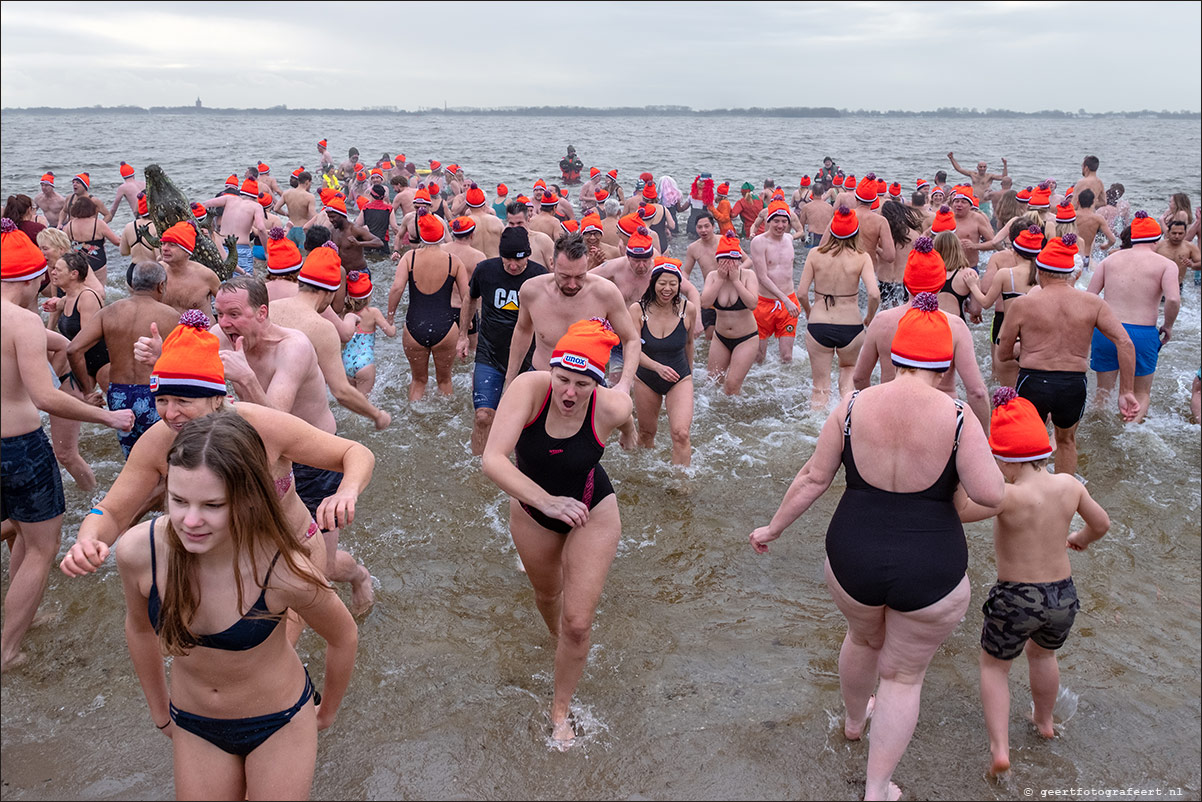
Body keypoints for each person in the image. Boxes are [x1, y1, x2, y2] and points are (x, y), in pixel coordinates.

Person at [749, 292, 1004, 801]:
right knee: (904, 676)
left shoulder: (853, 404)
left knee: (863, 639)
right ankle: (877, 788)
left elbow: (813, 478)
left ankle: (851, 721)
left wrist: (772, 529)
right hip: (931, 565)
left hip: (852, 556)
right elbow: (991, 494)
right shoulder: (957, 418)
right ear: (946, 362)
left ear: (894, 354)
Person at [115, 413, 357, 800]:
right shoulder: (140, 552)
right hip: (194, 724)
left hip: (277, 723)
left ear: (247, 500)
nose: (190, 520)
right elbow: (139, 628)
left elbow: (343, 635)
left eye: (212, 505)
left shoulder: (283, 569)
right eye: (178, 500)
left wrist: (326, 711)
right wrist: (161, 712)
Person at [482, 318, 636, 746]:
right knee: (548, 596)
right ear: (551, 370)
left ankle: (559, 709)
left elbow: (626, 420)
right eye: (563, 379)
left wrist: (630, 434)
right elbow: (492, 460)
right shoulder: (529, 389)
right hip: (533, 511)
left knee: (578, 622)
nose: (569, 392)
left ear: (598, 384)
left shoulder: (610, 406)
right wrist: (545, 502)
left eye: (582, 384)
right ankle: (557, 642)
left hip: (592, 507)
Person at [955, 388, 1110, 776]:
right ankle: (1044, 722)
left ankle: (1000, 749)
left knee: (994, 668)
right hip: (1062, 595)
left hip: (1015, 596)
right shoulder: (1069, 486)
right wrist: (1080, 539)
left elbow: (959, 511)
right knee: (1043, 656)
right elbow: (1102, 524)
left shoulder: (1007, 496)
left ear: (1002, 458)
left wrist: (958, 467)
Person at [2, 222, 134, 671]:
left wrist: (53, 338)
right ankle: (7, 650)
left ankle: (26, 614)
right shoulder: (20, 321)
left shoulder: (26, 325)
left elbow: (52, 342)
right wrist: (105, 415)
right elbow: (43, 396)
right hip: (18, 446)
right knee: (42, 545)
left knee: (21, 531)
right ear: (29, 278)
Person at [997, 234, 1139, 477]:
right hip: (1072, 384)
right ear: (1071, 273)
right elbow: (1125, 343)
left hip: (1033, 381)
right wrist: (1126, 390)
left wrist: (1027, 349)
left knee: (1029, 441)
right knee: (1066, 441)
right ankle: (1065, 499)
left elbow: (1003, 354)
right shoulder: (1093, 303)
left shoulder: (1023, 304)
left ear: (1039, 270)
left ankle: (1032, 496)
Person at [852, 237, 991, 429]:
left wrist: (872, 411)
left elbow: (859, 378)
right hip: (940, 417)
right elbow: (977, 392)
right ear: (941, 283)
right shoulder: (956, 327)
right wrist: (984, 439)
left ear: (906, 282)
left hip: (892, 414)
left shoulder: (882, 321)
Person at [67, 261, 181, 457]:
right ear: (161, 285)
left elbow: (73, 349)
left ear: (132, 284)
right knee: (165, 459)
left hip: (119, 396)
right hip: (155, 394)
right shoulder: (172, 317)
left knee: (134, 459)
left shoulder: (109, 312)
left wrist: (88, 391)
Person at [504, 232, 641, 394]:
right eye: (565, 276)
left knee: (624, 416)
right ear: (552, 264)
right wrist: (510, 381)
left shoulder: (605, 293)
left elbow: (631, 339)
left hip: (588, 382)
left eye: (579, 276)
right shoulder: (532, 291)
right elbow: (522, 331)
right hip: (542, 378)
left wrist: (624, 384)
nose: (572, 284)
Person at [1086, 212, 1181, 422]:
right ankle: (1129, 432)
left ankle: (1099, 435)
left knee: (1103, 393)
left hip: (1107, 331)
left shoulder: (1110, 260)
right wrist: (1168, 326)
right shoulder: (1166, 265)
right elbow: (1173, 300)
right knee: (1140, 394)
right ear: (1156, 240)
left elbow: (1089, 298)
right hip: (1142, 334)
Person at [462, 227, 548, 455]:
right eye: (507, 259)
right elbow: (470, 300)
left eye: (519, 260)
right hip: (489, 353)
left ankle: (516, 467)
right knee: (483, 417)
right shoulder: (485, 270)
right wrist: (463, 335)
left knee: (525, 423)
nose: (512, 265)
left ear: (528, 255)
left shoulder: (540, 276)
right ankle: (478, 465)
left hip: (527, 358)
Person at [798, 206, 879, 409]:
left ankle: (815, 430)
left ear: (831, 230)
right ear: (855, 232)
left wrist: (809, 312)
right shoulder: (862, 257)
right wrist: (869, 316)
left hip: (819, 324)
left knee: (819, 387)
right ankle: (846, 424)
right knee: (848, 375)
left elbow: (801, 293)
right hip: (850, 326)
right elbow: (874, 294)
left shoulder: (815, 254)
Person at [386, 211, 470, 401]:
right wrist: (467, 323)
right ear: (442, 235)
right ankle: (446, 427)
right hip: (446, 328)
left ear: (421, 236)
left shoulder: (409, 258)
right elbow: (467, 296)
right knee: (445, 381)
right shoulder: (453, 261)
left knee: (418, 380)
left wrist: (390, 317)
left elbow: (397, 288)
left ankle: (413, 422)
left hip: (415, 326)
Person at [628, 258, 697, 465]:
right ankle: (645, 474)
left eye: (673, 284)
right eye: (662, 283)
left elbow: (690, 344)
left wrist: (690, 376)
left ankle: (681, 486)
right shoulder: (637, 310)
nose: (667, 289)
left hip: (679, 378)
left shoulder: (688, 308)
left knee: (681, 434)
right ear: (653, 283)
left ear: (679, 285)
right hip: (647, 378)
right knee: (647, 434)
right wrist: (657, 367)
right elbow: (632, 349)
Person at [699, 232, 760, 395]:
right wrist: (720, 279)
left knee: (731, 385)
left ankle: (737, 417)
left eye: (734, 260)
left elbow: (753, 304)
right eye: (725, 260)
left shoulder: (748, 276)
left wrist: (735, 281)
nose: (729, 264)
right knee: (711, 383)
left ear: (740, 260)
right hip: (721, 338)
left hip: (746, 338)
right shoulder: (712, 277)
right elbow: (704, 303)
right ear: (717, 261)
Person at [750, 201, 800, 364]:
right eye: (776, 221)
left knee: (787, 357)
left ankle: (787, 389)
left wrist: (788, 300)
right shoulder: (758, 242)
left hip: (789, 303)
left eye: (784, 221)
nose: (780, 225)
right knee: (758, 357)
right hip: (765, 304)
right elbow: (762, 277)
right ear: (768, 221)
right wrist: (783, 299)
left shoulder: (789, 239)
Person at [342, 270, 396, 397]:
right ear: (368, 297)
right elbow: (390, 333)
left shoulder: (344, 313)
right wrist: (392, 325)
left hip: (345, 363)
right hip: (365, 364)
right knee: (364, 405)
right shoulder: (373, 312)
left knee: (351, 404)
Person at [199, 180, 269, 276]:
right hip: (241, 250)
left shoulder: (229, 199)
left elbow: (204, 204)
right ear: (255, 197)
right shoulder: (256, 206)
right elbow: (261, 228)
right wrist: (266, 251)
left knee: (224, 283)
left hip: (223, 248)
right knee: (244, 284)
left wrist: (203, 223)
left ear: (241, 192)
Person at [157, 221, 222, 322]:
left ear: (187, 251)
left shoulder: (206, 275)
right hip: (169, 334)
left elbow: (226, 304)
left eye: (172, 245)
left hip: (202, 334)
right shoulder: (157, 272)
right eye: (163, 243)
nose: (165, 248)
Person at [63, 195, 120, 286]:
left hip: (77, 263)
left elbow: (64, 246)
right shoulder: (98, 223)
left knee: (80, 290)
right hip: (97, 261)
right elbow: (116, 242)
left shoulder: (69, 225)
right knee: (99, 290)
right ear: (91, 208)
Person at [118, 191, 160, 265]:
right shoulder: (156, 227)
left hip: (134, 269)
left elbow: (123, 252)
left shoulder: (129, 226)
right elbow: (159, 257)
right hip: (152, 268)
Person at [277, 171, 316, 249]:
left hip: (290, 228)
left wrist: (286, 214)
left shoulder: (287, 193)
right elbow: (313, 215)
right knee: (303, 254)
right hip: (302, 230)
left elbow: (276, 208)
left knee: (290, 254)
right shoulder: (309, 196)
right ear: (307, 182)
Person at [1157, 219, 1200, 287]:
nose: (1177, 236)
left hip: (1178, 285)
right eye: (1174, 233)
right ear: (1168, 232)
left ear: (1185, 233)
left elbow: (1200, 264)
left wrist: (1192, 265)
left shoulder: (1190, 247)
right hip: (1158, 284)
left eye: (1180, 233)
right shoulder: (1158, 246)